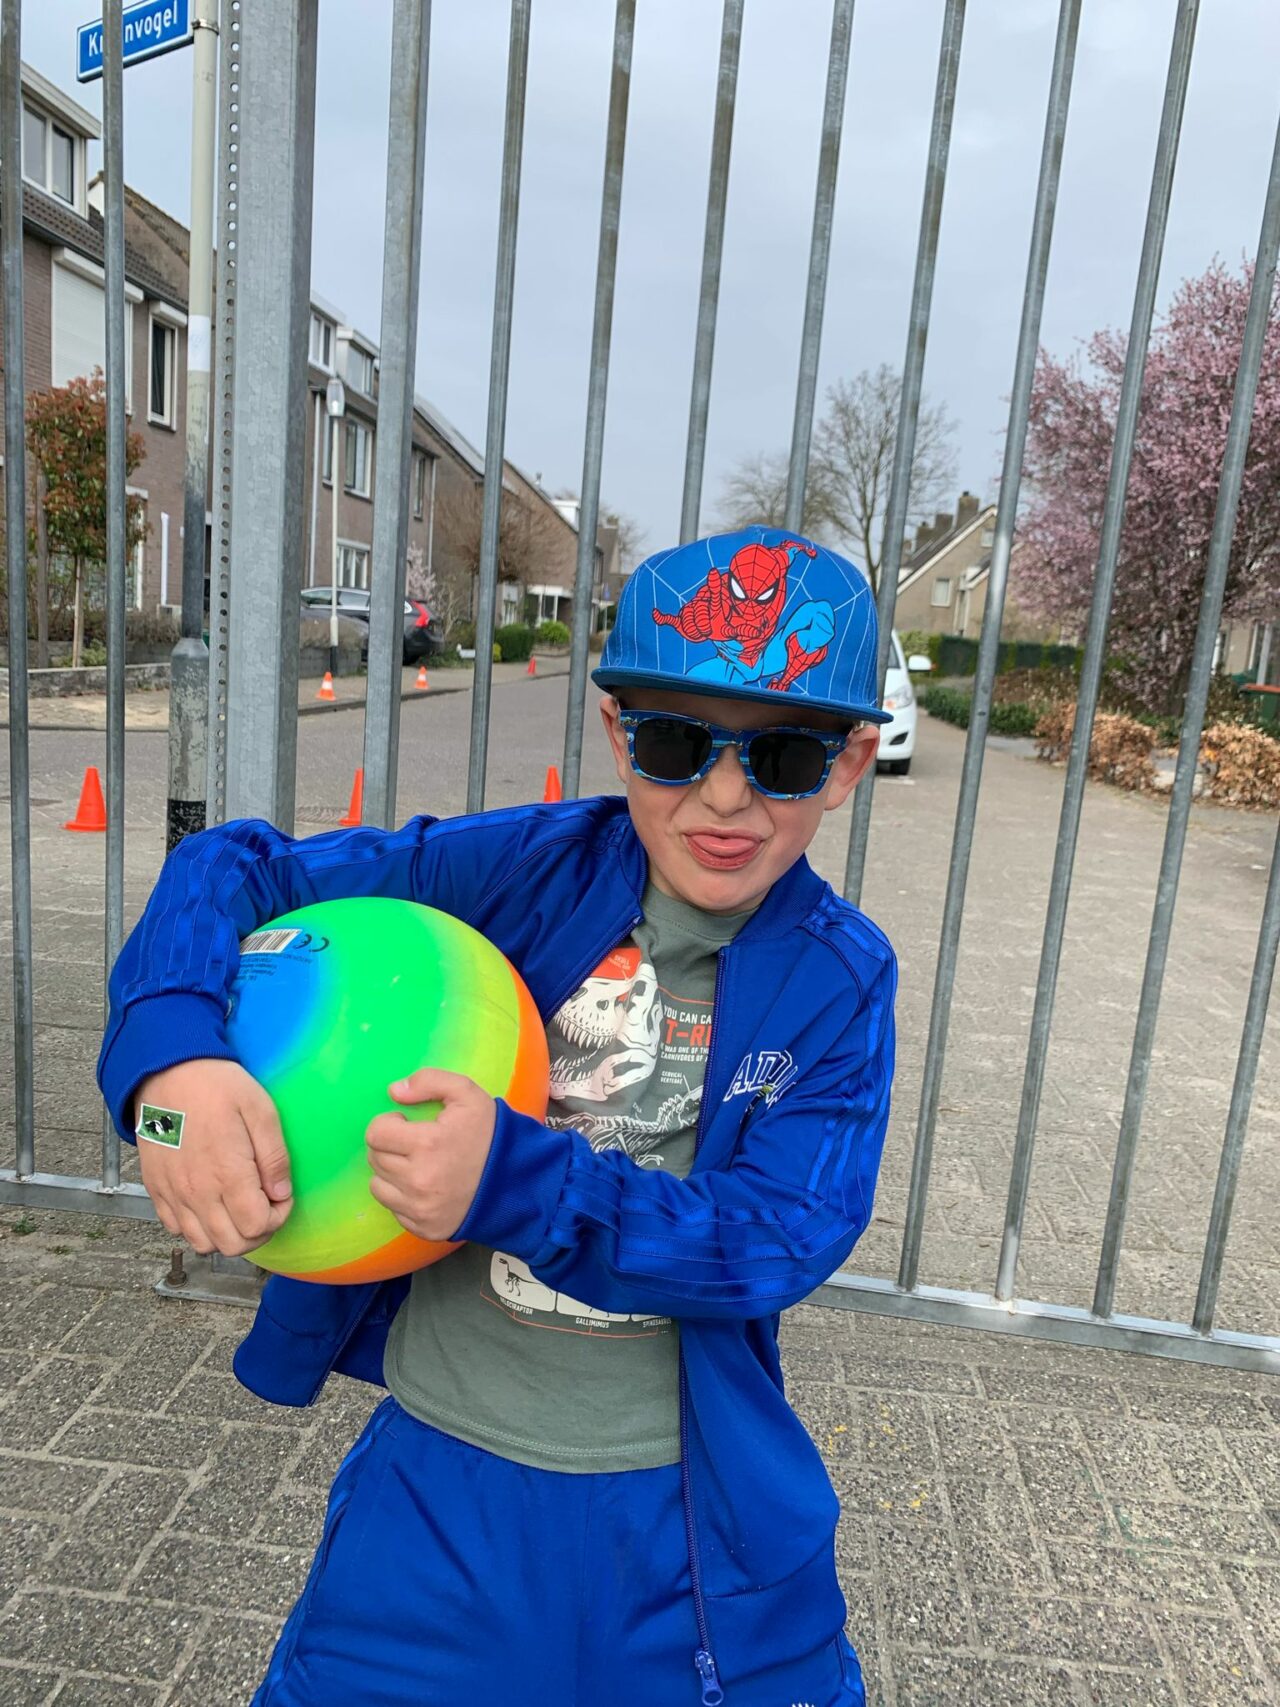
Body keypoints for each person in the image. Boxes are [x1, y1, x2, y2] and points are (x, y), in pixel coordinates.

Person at [97, 526, 898, 1707]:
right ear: (617, 731)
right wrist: (173, 1057)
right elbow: (235, 865)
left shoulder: (841, 978)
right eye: (675, 744)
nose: (724, 796)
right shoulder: (530, 867)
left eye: (781, 756)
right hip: (437, 1488)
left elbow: (779, 1236)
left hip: (682, 1516)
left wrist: (513, 1184)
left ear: (847, 763)